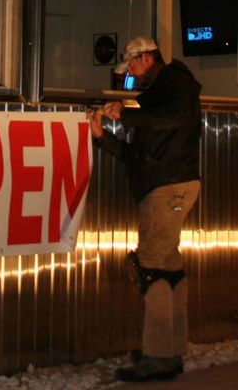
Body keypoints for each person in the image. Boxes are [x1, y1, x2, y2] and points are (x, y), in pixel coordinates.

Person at [87, 36, 202, 382]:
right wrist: (102, 137)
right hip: (173, 184)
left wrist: (128, 114)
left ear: (148, 57)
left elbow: (167, 120)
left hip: (165, 187)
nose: (132, 74)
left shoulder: (175, 86)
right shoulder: (160, 95)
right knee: (167, 265)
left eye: (134, 66)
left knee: (149, 266)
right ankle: (170, 347)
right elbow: (135, 154)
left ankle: (158, 355)